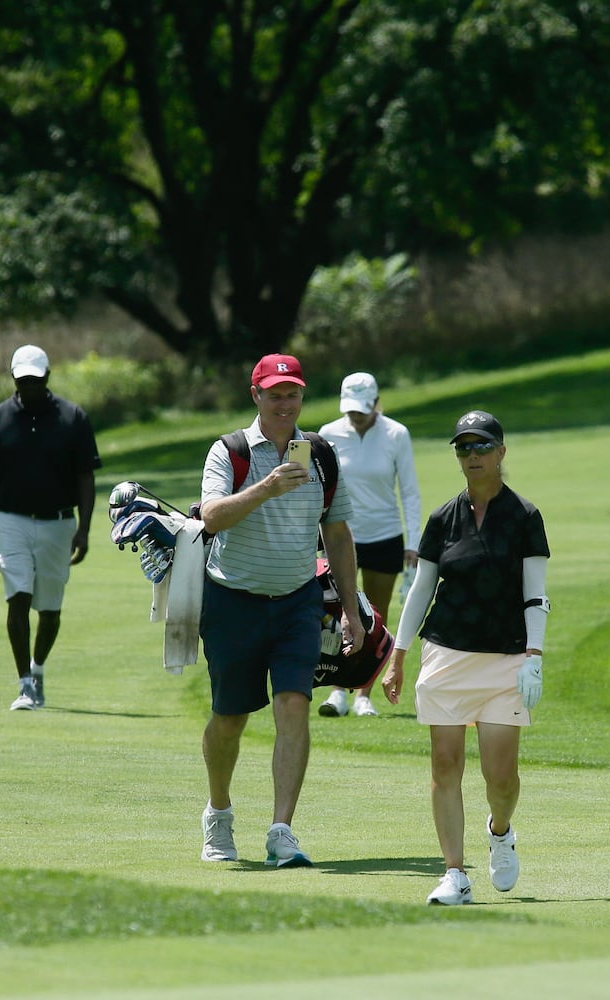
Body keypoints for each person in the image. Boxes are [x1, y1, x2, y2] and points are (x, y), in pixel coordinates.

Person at [197, 354, 366, 868]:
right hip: (233, 601)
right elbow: (211, 516)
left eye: (292, 393)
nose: (284, 402)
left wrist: (353, 610)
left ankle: (281, 831)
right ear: (256, 396)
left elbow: (336, 533)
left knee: (293, 704)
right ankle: (219, 814)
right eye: (275, 393)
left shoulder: (322, 454)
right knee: (230, 719)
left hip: (297, 600)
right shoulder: (229, 452)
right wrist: (266, 486)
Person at [379, 410, 550, 905]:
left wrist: (533, 655)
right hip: (446, 655)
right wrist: (398, 654)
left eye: (481, 446)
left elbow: (535, 594)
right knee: (445, 763)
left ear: (501, 452)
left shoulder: (525, 517)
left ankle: (499, 830)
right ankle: (455, 873)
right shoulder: (442, 519)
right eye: (462, 448)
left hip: (505, 661)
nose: (471, 455)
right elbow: (420, 591)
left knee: (501, 778)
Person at [0, 345, 102, 711]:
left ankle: (37, 668)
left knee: (50, 609)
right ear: (14, 378)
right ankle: (25, 684)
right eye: (23, 379)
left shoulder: (72, 418)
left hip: (58, 522)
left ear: (47, 377)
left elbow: (85, 477)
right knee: (19, 596)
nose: (30, 386)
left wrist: (85, 528)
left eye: (36, 379)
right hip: (9, 521)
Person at [315, 371, 421, 718]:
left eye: (363, 408)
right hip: (339, 537)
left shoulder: (396, 434)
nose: (356, 415)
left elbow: (408, 490)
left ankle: (363, 694)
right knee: (335, 615)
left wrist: (414, 543)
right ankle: (336, 692)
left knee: (375, 616)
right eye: (351, 409)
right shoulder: (328, 434)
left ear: (377, 403)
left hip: (385, 535)